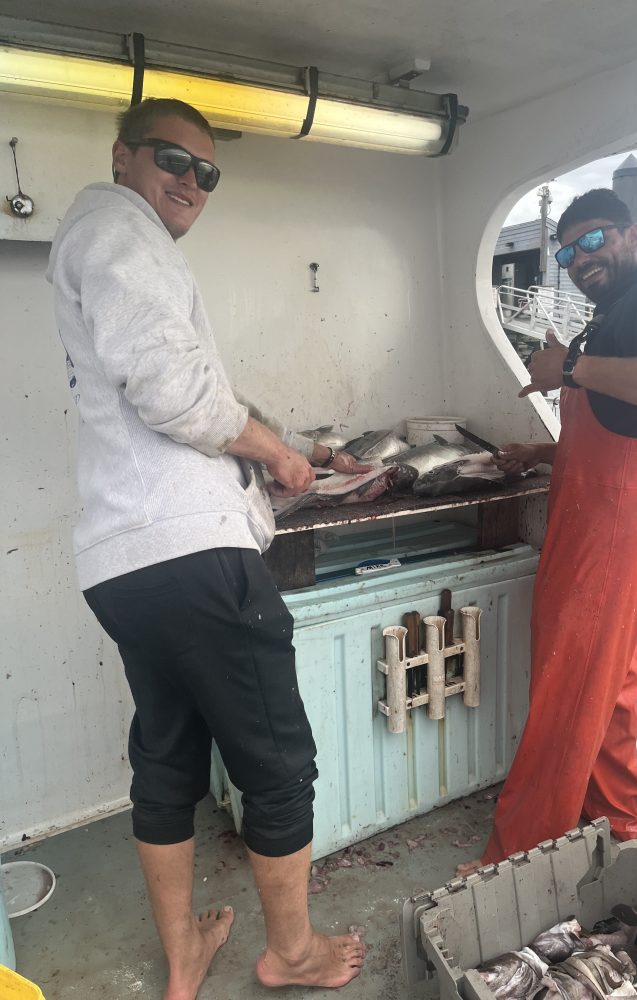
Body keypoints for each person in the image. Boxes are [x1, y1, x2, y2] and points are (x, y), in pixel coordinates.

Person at [47, 98, 367, 999]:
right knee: (275, 763)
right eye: (171, 160)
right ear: (122, 157)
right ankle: (292, 952)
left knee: (169, 755)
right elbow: (172, 389)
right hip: (192, 557)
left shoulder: (103, 247)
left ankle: (184, 949)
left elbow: (192, 390)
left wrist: (292, 445)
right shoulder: (119, 223)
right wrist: (273, 455)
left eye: (206, 173)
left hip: (125, 566)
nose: (190, 182)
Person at [457, 188, 637, 873]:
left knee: (567, 683)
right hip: (620, 514)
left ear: (631, 233)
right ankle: (620, 817)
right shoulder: (620, 307)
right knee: (611, 676)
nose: (581, 259)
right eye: (567, 250)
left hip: (614, 527)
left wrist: (570, 368)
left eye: (594, 241)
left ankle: (519, 856)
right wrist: (546, 453)